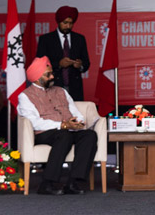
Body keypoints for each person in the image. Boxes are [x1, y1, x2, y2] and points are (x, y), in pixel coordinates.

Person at [17, 57, 97, 195]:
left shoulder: (61, 91)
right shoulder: (25, 96)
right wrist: (62, 125)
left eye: (52, 73)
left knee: (89, 135)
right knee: (63, 136)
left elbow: (75, 111)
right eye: (48, 75)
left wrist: (78, 122)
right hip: (45, 132)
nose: (52, 76)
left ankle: (73, 182)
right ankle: (47, 183)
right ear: (37, 78)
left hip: (68, 129)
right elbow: (34, 122)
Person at [36, 6, 90, 101]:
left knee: (75, 114)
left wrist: (80, 65)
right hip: (53, 85)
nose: (68, 26)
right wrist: (59, 64)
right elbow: (40, 64)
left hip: (75, 88)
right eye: (65, 23)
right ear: (58, 21)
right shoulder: (46, 39)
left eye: (71, 23)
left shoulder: (79, 39)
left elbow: (86, 63)